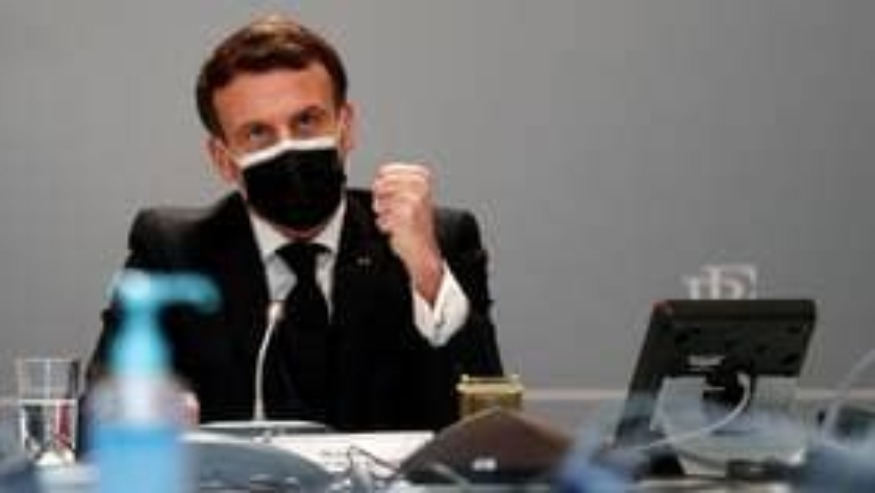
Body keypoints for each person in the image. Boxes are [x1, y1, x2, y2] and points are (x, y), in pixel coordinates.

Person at [86, 14, 502, 431]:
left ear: (345, 128)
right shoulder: (172, 253)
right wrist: (142, 414)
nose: (288, 149)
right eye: (257, 133)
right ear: (223, 160)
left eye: (306, 121)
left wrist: (427, 272)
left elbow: (489, 425)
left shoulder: (436, 241)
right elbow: (96, 423)